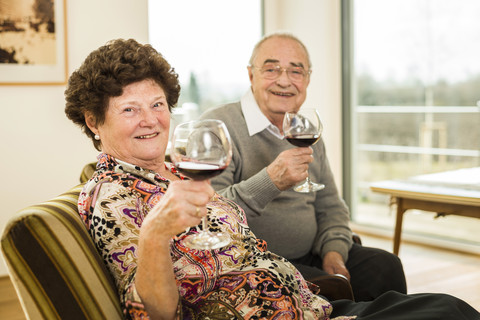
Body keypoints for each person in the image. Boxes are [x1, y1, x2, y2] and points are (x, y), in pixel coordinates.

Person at [64, 38, 479, 320]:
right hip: (283, 309)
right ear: (93, 121)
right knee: (448, 313)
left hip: (306, 302)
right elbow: (154, 312)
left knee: (443, 303)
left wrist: (331, 253)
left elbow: (328, 203)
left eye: (157, 104)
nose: (151, 119)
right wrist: (154, 232)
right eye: (130, 109)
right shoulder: (112, 197)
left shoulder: (176, 170)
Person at [200, 32, 406, 302]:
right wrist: (270, 181)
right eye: (272, 69)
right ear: (251, 76)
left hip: (313, 254)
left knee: (386, 265)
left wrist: (333, 252)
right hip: (254, 265)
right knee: (333, 291)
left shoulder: (305, 130)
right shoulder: (217, 126)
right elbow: (209, 214)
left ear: (307, 80)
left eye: (296, 71)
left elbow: (331, 205)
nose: (284, 81)